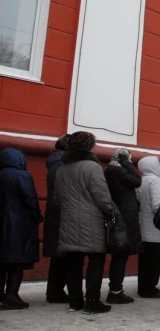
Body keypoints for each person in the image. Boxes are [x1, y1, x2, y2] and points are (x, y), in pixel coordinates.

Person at [55, 132, 114, 314]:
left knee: (73, 262)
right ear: (89, 146)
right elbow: (102, 197)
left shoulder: (61, 168)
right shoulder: (92, 167)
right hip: (92, 222)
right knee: (96, 261)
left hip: (68, 221)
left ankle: (75, 301)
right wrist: (111, 212)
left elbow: (57, 199)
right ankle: (92, 301)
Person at [0, 148, 43, 309]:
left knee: (2, 262)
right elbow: (30, 198)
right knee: (16, 262)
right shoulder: (21, 175)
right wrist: (37, 216)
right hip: (17, 225)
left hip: (4, 223)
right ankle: (11, 294)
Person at [104, 148, 142, 303]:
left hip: (120, 217)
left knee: (120, 255)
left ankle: (115, 288)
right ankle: (115, 290)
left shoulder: (110, 170)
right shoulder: (117, 170)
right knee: (121, 254)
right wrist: (127, 163)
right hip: (124, 219)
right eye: (128, 158)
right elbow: (137, 180)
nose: (131, 160)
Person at [137, 156, 160, 298]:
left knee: (144, 260)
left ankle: (143, 286)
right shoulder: (157, 181)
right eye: (159, 165)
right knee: (154, 260)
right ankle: (149, 288)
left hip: (143, 226)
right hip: (155, 228)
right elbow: (158, 205)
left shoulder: (141, 180)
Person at [43, 134, 70, 303]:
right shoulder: (63, 165)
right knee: (63, 255)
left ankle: (54, 289)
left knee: (58, 256)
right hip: (63, 215)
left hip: (55, 214)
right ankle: (56, 290)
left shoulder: (55, 163)